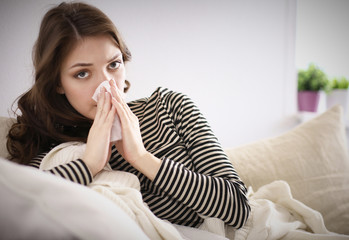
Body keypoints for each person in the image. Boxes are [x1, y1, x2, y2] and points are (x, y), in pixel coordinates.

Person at [7, 1, 250, 229]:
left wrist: (142, 158)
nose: (106, 84)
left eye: (113, 65)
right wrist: (89, 164)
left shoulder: (168, 107)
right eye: (82, 73)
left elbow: (239, 209)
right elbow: (15, 212)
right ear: (58, 83)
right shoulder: (54, 148)